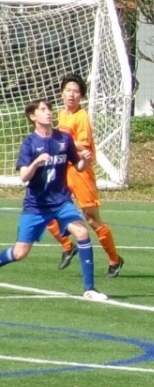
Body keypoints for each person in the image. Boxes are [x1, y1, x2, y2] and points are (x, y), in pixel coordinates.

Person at [0, 99, 107, 300]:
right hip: (36, 205)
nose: (48, 112)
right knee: (20, 253)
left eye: (49, 109)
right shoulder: (29, 143)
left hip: (62, 201)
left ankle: (90, 288)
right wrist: (36, 162)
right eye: (42, 110)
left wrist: (85, 159)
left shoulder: (64, 138)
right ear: (33, 116)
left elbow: (79, 167)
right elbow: (24, 177)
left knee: (82, 232)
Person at [45, 74, 124, 277]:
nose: (71, 94)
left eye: (76, 91)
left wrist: (61, 140)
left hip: (80, 170)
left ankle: (115, 260)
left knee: (91, 218)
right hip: (63, 169)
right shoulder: (62, 114)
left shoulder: (82, 117)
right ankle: (67, 246)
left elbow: (84, 146)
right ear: (62, 93)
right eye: (68, 90)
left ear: (81, 96)